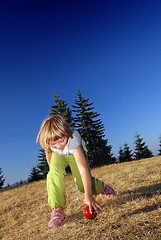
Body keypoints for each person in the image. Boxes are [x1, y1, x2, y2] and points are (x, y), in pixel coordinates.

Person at [36, 115, 115, 228]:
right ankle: (58, 210)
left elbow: (83, 169)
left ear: (66, 133)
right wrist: (54, 171)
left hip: (75, 153)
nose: (58, 146)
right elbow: (49, 153)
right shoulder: (49, 142)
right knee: (52, 174)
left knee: (82, 185)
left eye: (61, 141)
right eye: (53, 144)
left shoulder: (73, 140)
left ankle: (101, 187)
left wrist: (88, 196)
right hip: (59, 156)